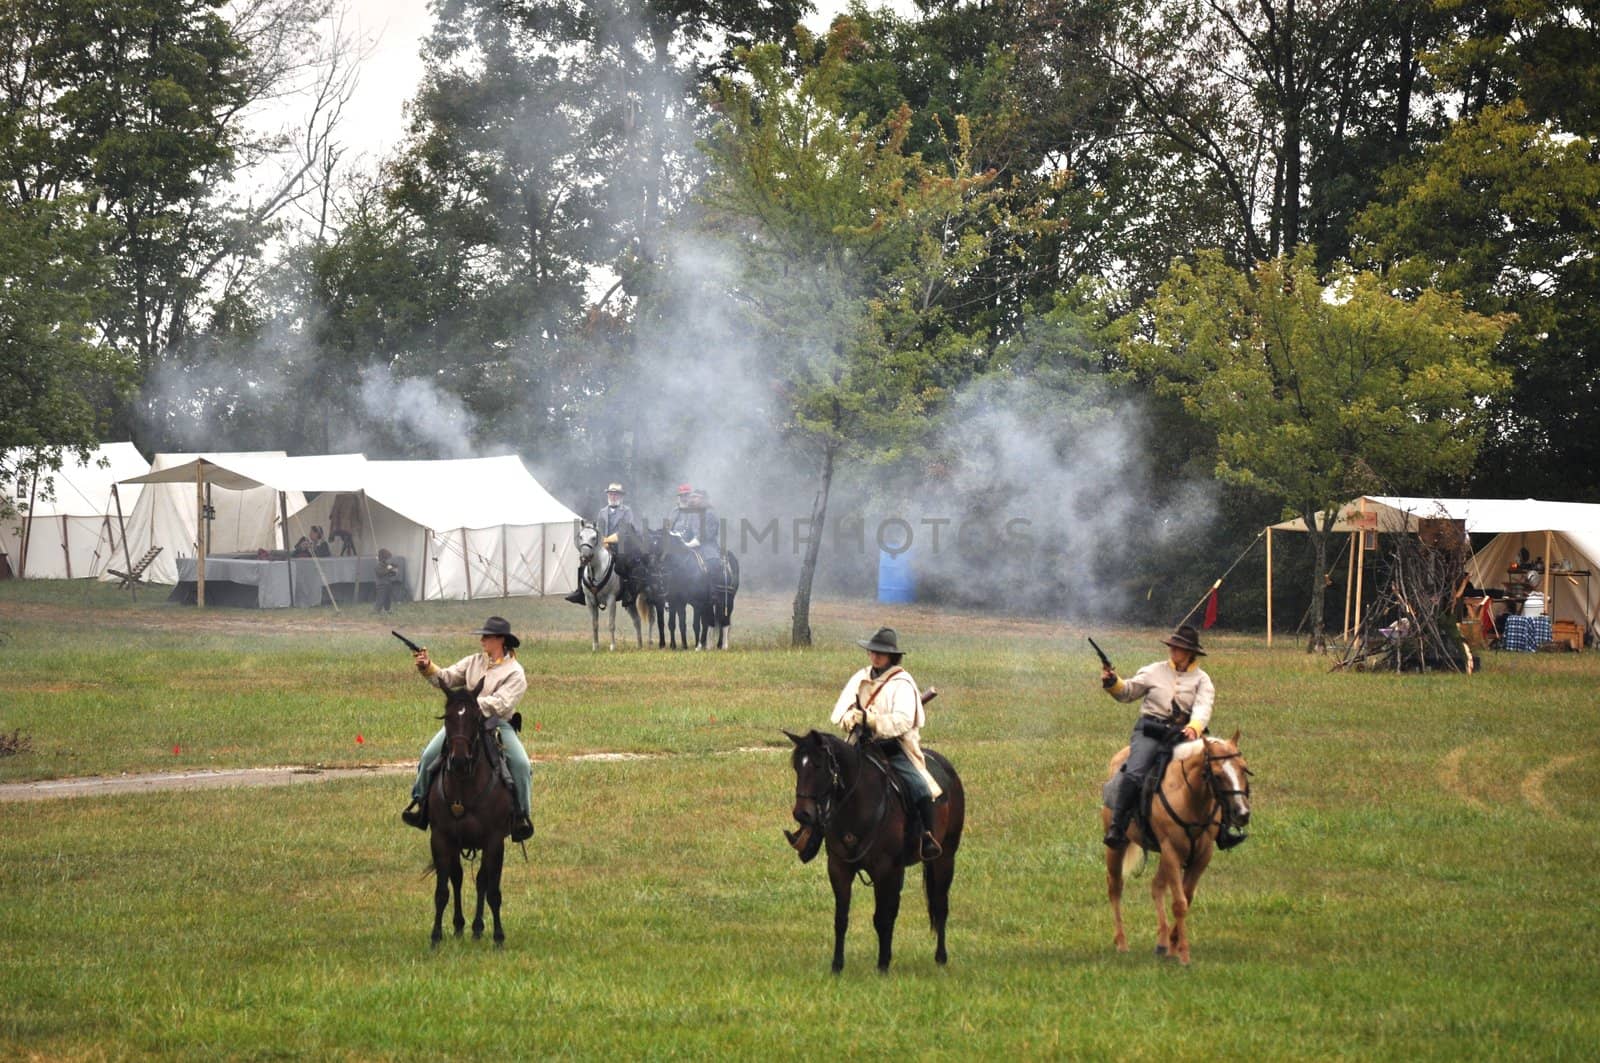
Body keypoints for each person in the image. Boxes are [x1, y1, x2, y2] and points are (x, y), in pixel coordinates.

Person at [401, 617, 535, 842]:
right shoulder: (474, 661)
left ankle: (521, 816)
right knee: (429, 756)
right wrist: (427, 666)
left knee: (521, 765)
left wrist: (468, 706)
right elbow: (446, 678)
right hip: (464, 722)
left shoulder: (515, 672)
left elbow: (501, 704)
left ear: (501, 640)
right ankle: (420, 804)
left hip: (497, 723)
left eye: (487, 636)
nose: (482, 640)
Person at [830, 627, 943, 861]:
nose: (875, 656)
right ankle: (817, 832)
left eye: (881, 652)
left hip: (893, 748)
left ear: (892, 656)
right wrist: (849, 717)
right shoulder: (860, 676)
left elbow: (902, 721)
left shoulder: (902, 682)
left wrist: (871, 720)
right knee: (828, 782)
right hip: (860, 746)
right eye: (873, 651)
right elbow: (840, 711)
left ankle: (926, 836)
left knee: (920, 789)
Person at [1098, 624, 1215, 850]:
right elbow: (1127, 691)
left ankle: (1221, 828)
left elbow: (1203, 707)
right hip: (1150, 731)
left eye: (1178, 647)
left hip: (1184, 734)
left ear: (1190, 652)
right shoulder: (1153, 671)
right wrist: (1113, 681)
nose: (1173, 650)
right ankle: (1118, 826)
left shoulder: (1203, 680)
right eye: (1172, 646)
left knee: (1217, 771)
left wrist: (1194, 727)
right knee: (1134, 772)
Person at [373, 548, 402, 613]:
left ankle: (387, 609)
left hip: (388, 584)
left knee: (388, 599)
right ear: (383, 558)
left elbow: (390, 574)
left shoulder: (386, 565)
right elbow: (381, 573)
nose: (387, 560)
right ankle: (376, 610)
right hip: (381, 585)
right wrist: (388, 569)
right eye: (386, 559)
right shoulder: (378, 566)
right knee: (380, 598)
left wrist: (394, 571)